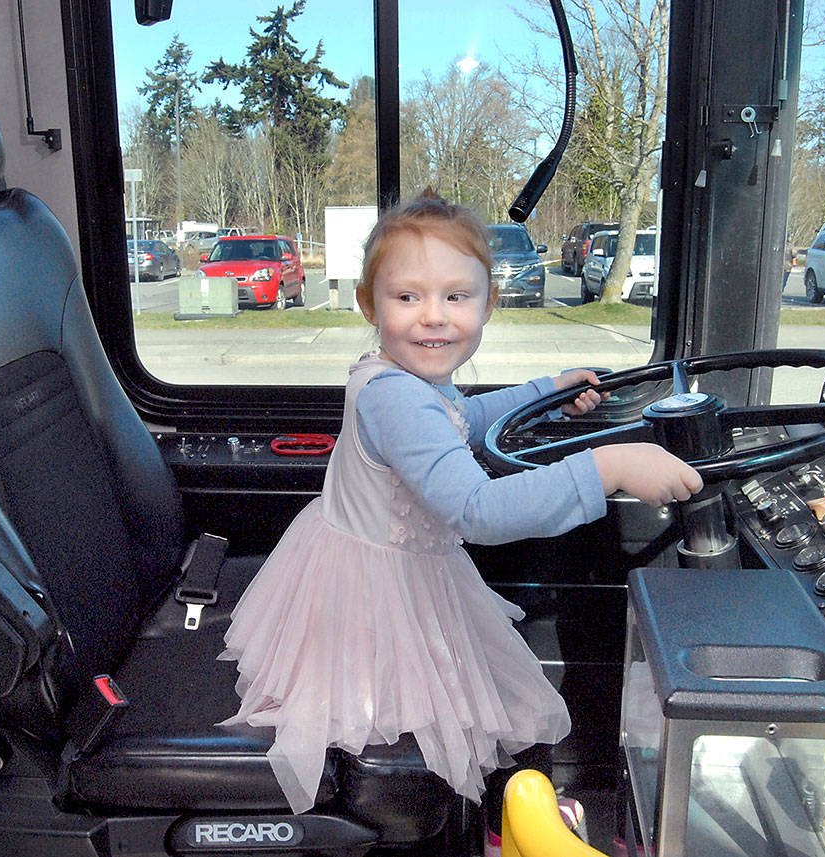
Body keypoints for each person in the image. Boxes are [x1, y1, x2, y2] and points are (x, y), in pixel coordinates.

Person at [217, 190, 704, 827]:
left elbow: (461, 418)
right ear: (370, 304)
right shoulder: (397, 399)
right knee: (394, 712)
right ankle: (402, 819)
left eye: (456, 296)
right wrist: (608, 467)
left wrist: (545, 393)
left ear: (487, 304)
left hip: (381, 564)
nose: (433, 318)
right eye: (407, 297)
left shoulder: (412, 384)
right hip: (376, 590)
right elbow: (478, 510)